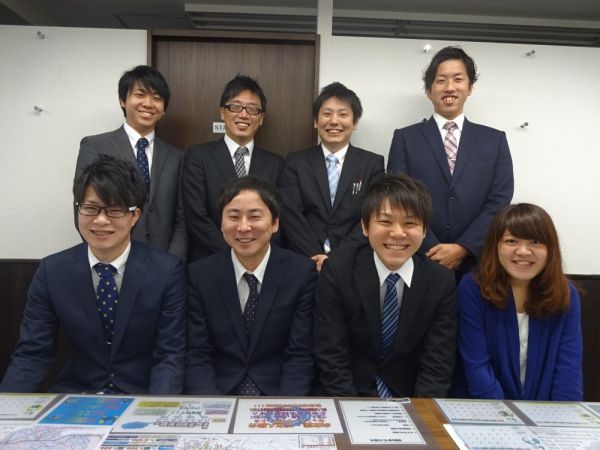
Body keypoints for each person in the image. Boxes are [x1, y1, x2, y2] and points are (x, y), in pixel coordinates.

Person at [1, 156, 186, 394]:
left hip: (141, 395)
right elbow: (32, 353)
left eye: (114, 210)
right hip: (77, 393)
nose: (100, 220)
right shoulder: (52, 271)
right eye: (90, 208)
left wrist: (158, 408)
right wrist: (7, 409)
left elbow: (170, 355)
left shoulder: (166, 271)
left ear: (135, 216)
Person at [314, 174, 456, 398]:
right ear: (365, 226)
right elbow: (331, 355)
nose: (398, 233)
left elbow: (437, 363)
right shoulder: (337, 272)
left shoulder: (441, 281)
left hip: (410, 397)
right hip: (349, 393)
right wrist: (353, 409)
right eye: (385, 222)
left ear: (424, 230)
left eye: (410, 223)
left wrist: (421, 412)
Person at [387, 46, 513, 275]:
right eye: (441, 80)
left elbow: (500, 199)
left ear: (470, 87)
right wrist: (430, 246)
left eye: (458, 79)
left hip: (476, 261)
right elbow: (399, 197)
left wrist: (464, 247)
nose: (450, 87)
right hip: (420, 257)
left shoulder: (494, 140)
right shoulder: (405, 138)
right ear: (429, 90)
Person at [185, 176, 316, 396]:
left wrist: (284, 408)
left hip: (278, 394)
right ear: (221, 223)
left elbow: (300, 354)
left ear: (275, 224)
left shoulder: (301, 273)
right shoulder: (200, 275)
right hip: (219, 394)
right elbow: (197, 354)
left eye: (255, 217)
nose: (244, 227)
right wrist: (213, 407)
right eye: (234, 217)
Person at [454, 203, 582, 400]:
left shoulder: (566, 293)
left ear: (550, 249)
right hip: (484, 409)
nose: (523, 251)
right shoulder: (473, 288)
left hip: (544, 414)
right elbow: (477, 367)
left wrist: (563, 416)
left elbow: (568, 369)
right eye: (511, 241)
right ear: (496, 246)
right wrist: (507, 416)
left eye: (535, 242)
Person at [75, 65, 187, 262]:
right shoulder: (95, 146)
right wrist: (109, 258)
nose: (148, 104)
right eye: (140, 95)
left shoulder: (176, 156)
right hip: (112, 260)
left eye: (157, 98)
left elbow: (182, 219)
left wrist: (172, 264)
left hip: (163, 262)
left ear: (164, 109)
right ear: (122, 100)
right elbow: (85, 210)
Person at [279, 82, 384, 271]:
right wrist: (316, 256)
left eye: (343, 114)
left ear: (355, 123)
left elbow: (371, 216)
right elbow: (290, 214)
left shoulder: (372, 164)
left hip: (352, 262)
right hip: (303, 260)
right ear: (315, 121)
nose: (334, 121)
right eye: (327, 114)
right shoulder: (295, 161)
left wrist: (336, 258)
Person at [183, 75, 284, 262]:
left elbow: (278, 218)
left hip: (262, 263)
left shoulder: (276, 164)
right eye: (235, 107)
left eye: (252, 109)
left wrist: (257, 253)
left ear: (261, 118)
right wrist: (237, 253)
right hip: (210, 260)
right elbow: (196, 217)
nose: (244, 115)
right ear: (222, 112)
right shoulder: (198, 156)